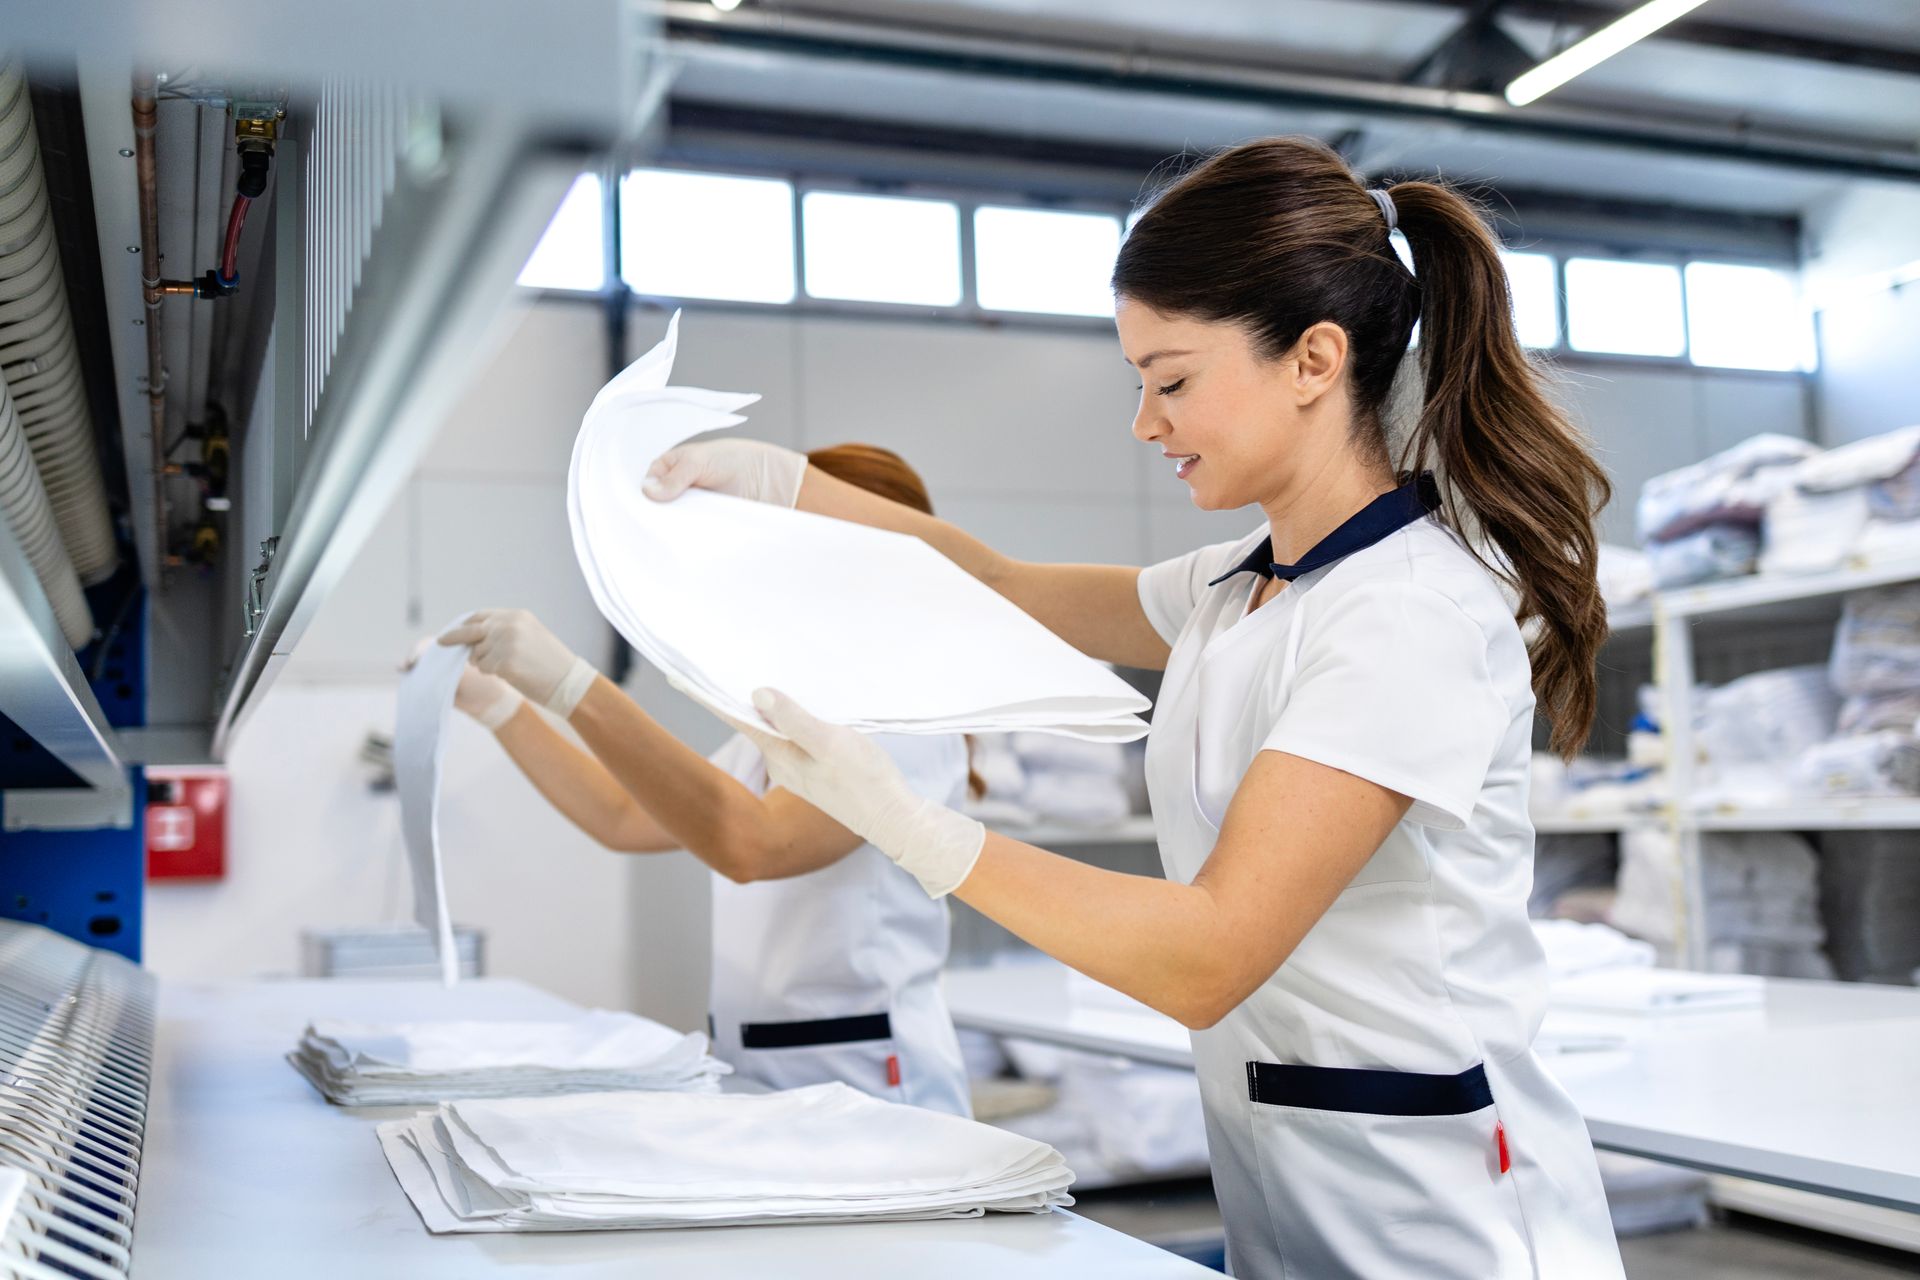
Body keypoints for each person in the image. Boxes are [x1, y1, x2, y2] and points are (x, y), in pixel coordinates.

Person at [642, 138, 1626, 1278]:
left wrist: (915, 829)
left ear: (1315, 359)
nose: (1145, 423)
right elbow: (1002, 587)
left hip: (1450, 1214)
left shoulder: (1406, 615)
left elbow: (1208, 952)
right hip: (1300, 1166)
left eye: (1172, 378)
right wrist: (785, 486)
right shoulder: (1236, 586)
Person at [435, 444, 975, 1117]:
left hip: (869, 1081)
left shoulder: (903, 722)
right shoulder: (791, 727)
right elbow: (623, 816)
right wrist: (505, 707)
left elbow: (755, 846)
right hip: (766, 1071)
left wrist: (578, 687)